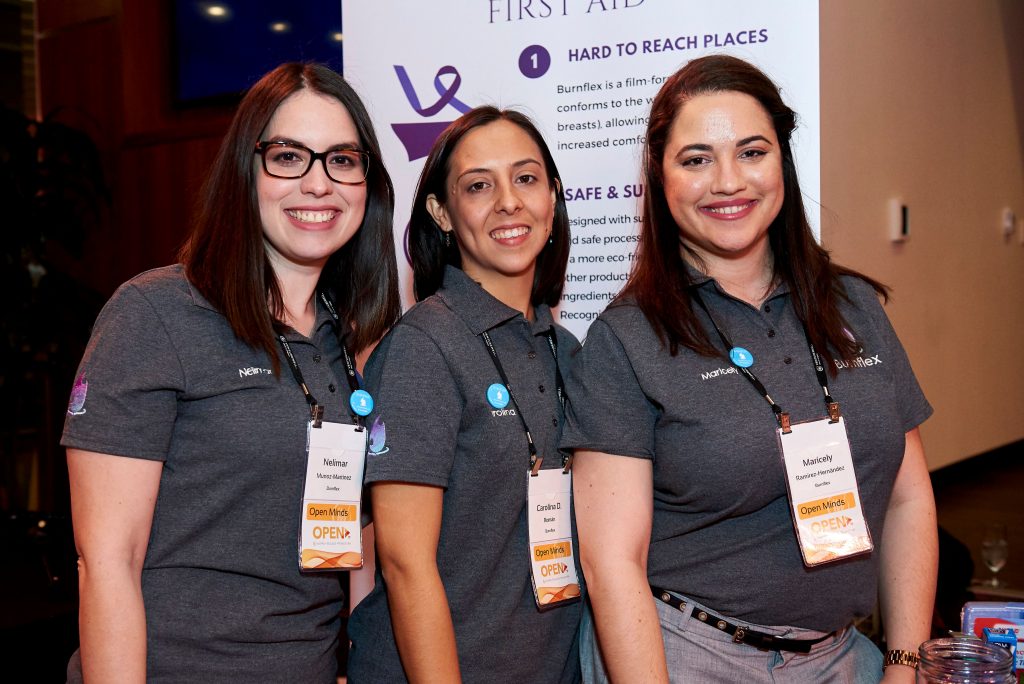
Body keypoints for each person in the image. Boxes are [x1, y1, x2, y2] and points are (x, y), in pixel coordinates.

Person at [561, 55, 937, 684]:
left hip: (844, 658)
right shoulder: (626, 340)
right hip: (688, 655)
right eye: (696, 159)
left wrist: (904, 664)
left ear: (781, 162)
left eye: (752, 152)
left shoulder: (856, 307)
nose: (728, 181)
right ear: (660, 178)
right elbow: (611, 562)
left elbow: (907, 498)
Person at [62, 62, 400, 683]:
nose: (319, 183)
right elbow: (107, 561)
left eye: (343, 160)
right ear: (244, 172)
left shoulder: (352, 339)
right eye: (289, 156)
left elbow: (354, 548)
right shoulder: (155, 315)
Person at [346, 106, 583, 683]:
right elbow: (404, 565)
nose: (508, 201)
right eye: (479, 186)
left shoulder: (570, 352)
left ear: (552, 198)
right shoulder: (425, 346)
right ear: (442, 213)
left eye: (526, 178)